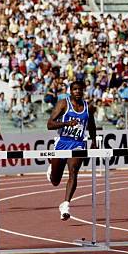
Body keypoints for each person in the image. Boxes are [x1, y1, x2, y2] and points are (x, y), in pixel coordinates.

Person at [47, 80, 97, 221]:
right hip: (62, 143)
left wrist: (93, 140)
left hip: (78, 144)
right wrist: (66, 123)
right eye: (74, 89)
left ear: (83, 91)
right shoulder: (63, 104)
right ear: (70, 91)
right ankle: (51, 168)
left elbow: (91, 125)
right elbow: (49, 124)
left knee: (73, 170)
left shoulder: (88, 107)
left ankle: (66, 205)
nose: (77, 92)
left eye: (80, 89)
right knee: (55, 181)